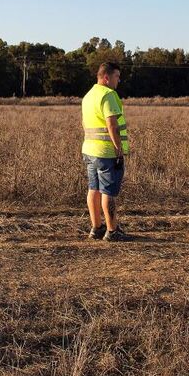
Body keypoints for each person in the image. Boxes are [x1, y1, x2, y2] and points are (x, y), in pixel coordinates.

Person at [81, 62, 131, 242]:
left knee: (93, 189)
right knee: (107, 192)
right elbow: (112, 124)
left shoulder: (88, 96)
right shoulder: (109, 95)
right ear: (106, 77)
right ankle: (112, 231)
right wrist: (118, 150)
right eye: (117, 76)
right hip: (106, 152)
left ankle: (96, 228)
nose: (119, 80)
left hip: (89, 150)